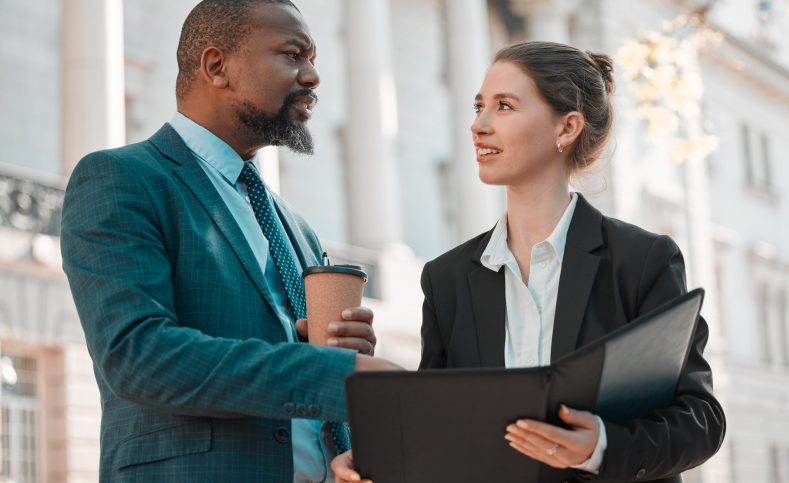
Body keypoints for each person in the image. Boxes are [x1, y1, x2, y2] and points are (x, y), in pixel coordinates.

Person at [332, 41, 725, 483]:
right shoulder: (446, 279)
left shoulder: (641, 260)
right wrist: (377, 460)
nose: (479, 125)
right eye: (478, 106)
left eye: (504, 106)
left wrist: (600, 446)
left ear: (567, 127)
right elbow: (438, 430)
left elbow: (700, 419)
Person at [61, 1, 400, 482]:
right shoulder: (122, 178)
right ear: (217, 67)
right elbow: (138, 355)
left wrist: (339, 363)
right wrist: (334, 376)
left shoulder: (294, 226)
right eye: (293, 54)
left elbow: (296, 377)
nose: (312, 77)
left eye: (314, 59)